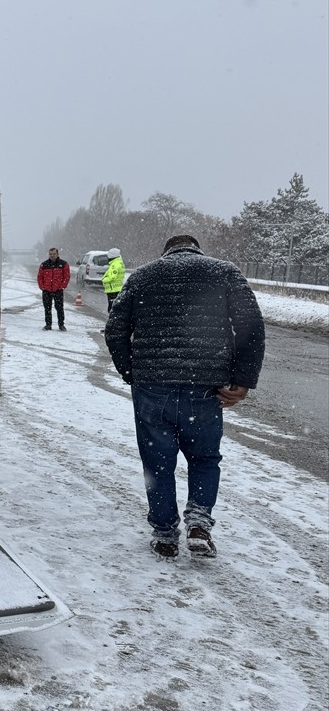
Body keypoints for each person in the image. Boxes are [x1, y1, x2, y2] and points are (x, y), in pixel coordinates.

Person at [104, 234, 265, 559]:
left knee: (158, 464)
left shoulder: (144, 276)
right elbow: (251, 326)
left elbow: (115, 328)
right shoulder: (224, 272)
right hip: (205, 388)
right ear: (196, 249)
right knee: (204, 459)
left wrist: (131, 371)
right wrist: (242, 379)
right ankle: (199, 525)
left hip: (153, 388)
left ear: (167, 252)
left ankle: (164, 535)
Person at [36, 246, 70, 330]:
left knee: (59, 308)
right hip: (46, 290)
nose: (52, 255)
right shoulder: (44, 265)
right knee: (47, 308)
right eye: (50, 254)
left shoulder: (63, 264)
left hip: (58, 290)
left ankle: (61, 325)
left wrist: (62, 287)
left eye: (54, 254)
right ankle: (48, 325)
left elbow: (67, 276)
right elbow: (39, 277)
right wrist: (42, 287)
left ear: (57, 254)